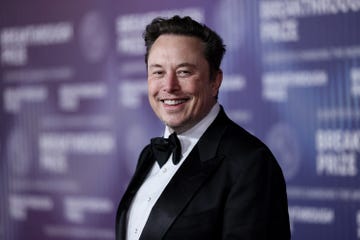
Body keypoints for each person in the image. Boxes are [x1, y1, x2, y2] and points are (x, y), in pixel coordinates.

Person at [115, 15, 291, 240]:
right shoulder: (148, 155)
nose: (169, 86)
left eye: (184, 72)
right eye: (158, 72)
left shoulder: (250, 164)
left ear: (215, 81)